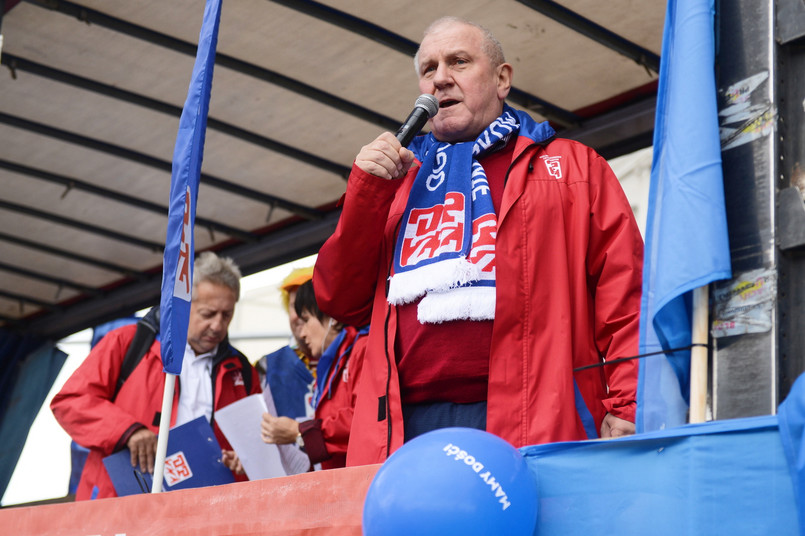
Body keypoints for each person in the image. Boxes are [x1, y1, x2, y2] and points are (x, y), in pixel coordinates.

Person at [313, 16, 644, 466]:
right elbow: (339, 300)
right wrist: (365, 194)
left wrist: (629, 404)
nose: (441, 77)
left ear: (502, 79)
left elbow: (626, 298)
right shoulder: (395, 182)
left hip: (535, 418)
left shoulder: (572, 169)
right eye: (429, 69)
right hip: (404, 429)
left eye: (459, 62)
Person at [51, 252, 260, 499]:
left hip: (202, 511)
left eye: (227, 315)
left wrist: (243, 456)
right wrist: (128, 431)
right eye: (208, 313)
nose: (217, 325)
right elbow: (70, 402)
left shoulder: (242, 370)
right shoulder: (128, 343)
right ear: (182, 305)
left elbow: (257, 442)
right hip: (121, 506)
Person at [260, 280, 368, 469]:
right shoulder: (333, 362)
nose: (302, 334)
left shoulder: (361, 350)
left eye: (307, 320)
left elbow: (364, 421)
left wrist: (299, 432)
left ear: (331, 317)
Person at [254, 267, 316, 420]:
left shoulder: (348, 360)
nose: (302, 314)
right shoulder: (266, 366)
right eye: (295, 306)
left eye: (310, 304)